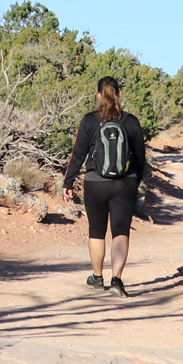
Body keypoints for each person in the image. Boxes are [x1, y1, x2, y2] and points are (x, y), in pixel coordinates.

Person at [61, 75, 147, 298]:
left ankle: (97, 277)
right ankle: (116, 281)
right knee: (120, 232)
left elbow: (77, 154)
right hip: (124, 184)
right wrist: (135, 181)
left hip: (94, 183)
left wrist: (68, 181)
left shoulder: (89, 120)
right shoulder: (131, 121)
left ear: (98, 96)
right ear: (119, 94)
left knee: (96, 231)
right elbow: (140, 157)